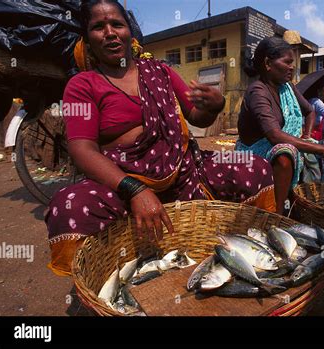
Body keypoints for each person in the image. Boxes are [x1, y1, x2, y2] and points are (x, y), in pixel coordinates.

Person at [45, 0, 276, 276]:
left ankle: (248, 250)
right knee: (70, 207)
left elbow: (196, 117)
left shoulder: (160, 72)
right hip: (122, 181)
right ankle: (99, 276)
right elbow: (82, 149)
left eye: (117, 24)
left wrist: (214, 106)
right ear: (87, 39)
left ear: (130, 32)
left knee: (254, 166)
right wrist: (134, 190)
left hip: (184, 172)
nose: (109, 32)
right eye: (98, 27)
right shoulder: (81, 85)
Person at [236, 37, 324, 215]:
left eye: (292, 62)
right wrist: (323, 151)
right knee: (285, 155)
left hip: (279, 144)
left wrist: (306, 135)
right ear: (267, 63)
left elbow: (310, 111)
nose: (292, 67)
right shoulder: (258, 91)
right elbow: (275, 136)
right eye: (287, 62)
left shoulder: (288, 87)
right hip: (254, 152)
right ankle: (277, 215)